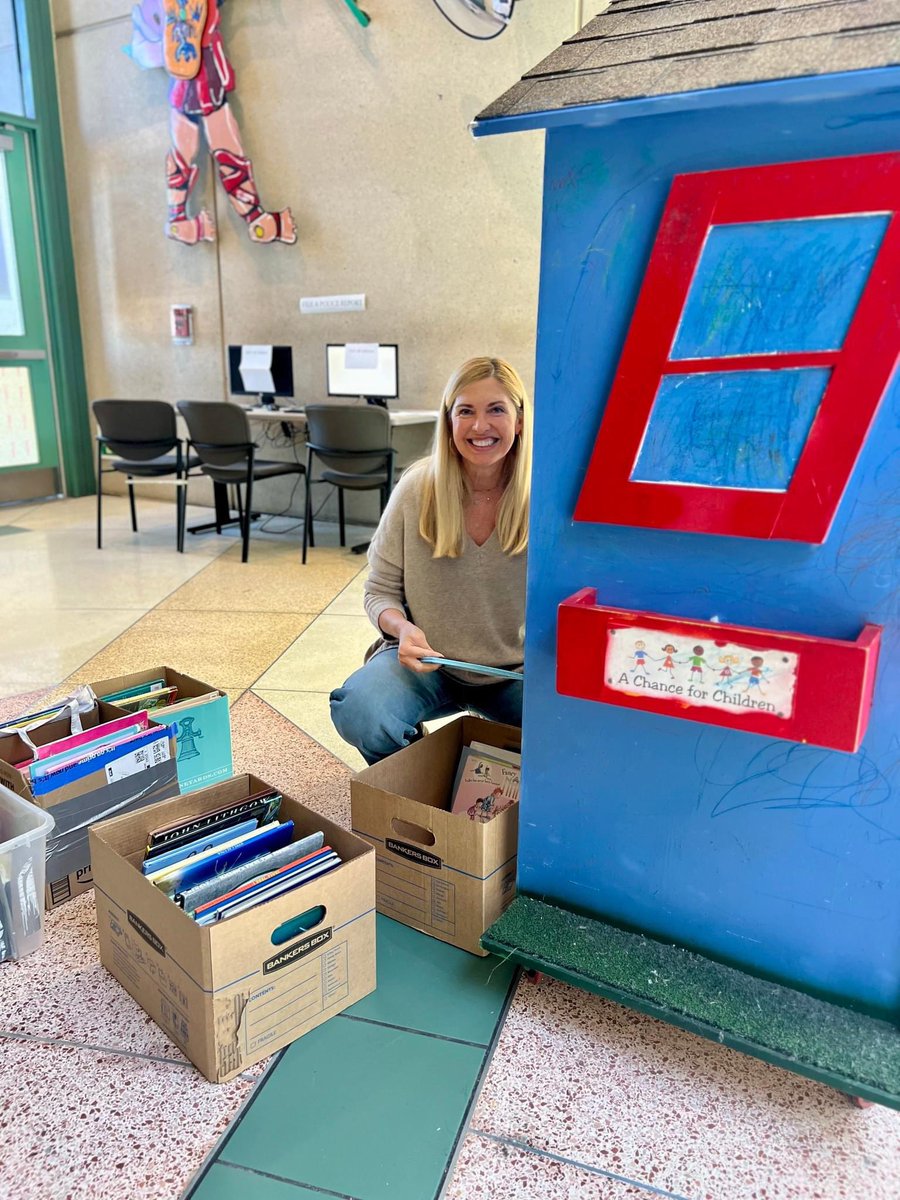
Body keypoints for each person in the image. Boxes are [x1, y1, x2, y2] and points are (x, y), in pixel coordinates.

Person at [330, 356, 531, 765]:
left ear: (520, 420)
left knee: (575, 728)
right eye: (465, 411)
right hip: (429, 666)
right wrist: (401, 628)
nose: (479, 426)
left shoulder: (543, 497)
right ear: (449, 420)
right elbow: (380, 590)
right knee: (360, 710)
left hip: (516, 674)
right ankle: (419, 775)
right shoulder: (417, 489)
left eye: (496, 410)